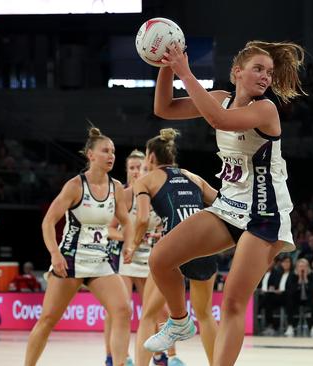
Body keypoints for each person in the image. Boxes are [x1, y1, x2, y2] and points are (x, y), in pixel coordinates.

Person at [144, 40, 305, 366]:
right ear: (236, 72)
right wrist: (164, 66)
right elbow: (164, 109)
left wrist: (184, 70)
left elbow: (218, 120)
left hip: (265, 212)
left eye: (270, 72)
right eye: (258, 69)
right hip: (228, 205)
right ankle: (178, 321)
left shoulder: (265, 109)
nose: (265, 77)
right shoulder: (220, 97)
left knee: (232, 303)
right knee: (160, 258)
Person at [24, 127, 135, 366]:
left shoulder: (116, 187)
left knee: (123, 311)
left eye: (113, 151)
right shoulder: (75, 186)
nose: (111, 156)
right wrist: (54, 254)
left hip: (100, 262)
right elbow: (48, 222)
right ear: (90, 155)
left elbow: (126, 220)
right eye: (105, 150)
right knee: (47, 319)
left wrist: (130, 243)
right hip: (70, 261)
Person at [134, 129, 219, 366]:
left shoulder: (146, 180)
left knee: (149, 315)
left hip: (175, 251)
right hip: (204, 247)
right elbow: (222, 205)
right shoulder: (193, 177)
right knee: (205, 315)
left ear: (150, 157)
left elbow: (141, 219)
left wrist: (132, 244)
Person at [103, 150, 156, 366]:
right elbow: (110, 230)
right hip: (124, 258)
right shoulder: (124, 195)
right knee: (120, 309)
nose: (136, 171)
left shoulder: (153, 193)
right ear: (126, 171)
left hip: (148, 258)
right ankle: (113, 356)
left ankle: (155, 355)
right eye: (132, 167)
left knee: (151, 310)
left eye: (140, 167)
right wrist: (131, 238)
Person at [284, 258, 313, 338]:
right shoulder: (292, 275)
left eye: (304, 266)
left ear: (308, 267)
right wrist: (299, 282)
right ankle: (290, 326)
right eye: (300, 266)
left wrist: (306, 281)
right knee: (289, 302)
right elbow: (290, 291)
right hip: (296, 299)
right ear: (296, 268)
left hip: (308, 299)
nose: (302, 268)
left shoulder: (312, 275)